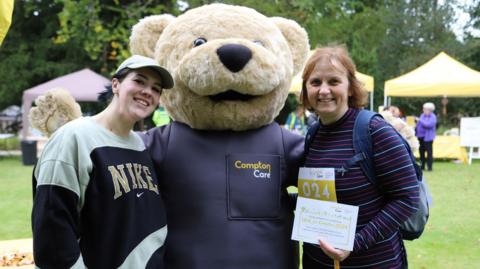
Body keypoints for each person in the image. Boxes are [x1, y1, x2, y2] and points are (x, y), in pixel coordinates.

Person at [31, 55, 174, 268]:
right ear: (115, 84)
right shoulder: (74, 138)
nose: (148, 92)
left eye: (156, 88)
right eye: (139, 81)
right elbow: (52, 234)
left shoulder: (142, 146)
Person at [300, 46, 419, 268]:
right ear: (306, 89)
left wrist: (355, 243)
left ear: (351, 88)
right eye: (315, 82)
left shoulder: (374, 130)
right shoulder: (313, 134)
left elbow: (407, 198)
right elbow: (324, 196)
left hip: (373, 262)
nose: (323, 90)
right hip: (317, 262)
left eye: (333, 82)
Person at [416, 102, 437, 171]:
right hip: (420, 137)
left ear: (430, 110)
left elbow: (428, 125)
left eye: (425, 109)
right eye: (424, 109)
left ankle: (429, 167)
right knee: (421, 153)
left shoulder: (433, 117)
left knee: (429, 153)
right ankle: (422, 167)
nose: (423, 110)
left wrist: (420, 120)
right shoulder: (422, 115)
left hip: (428, 138)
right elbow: (419, 124)